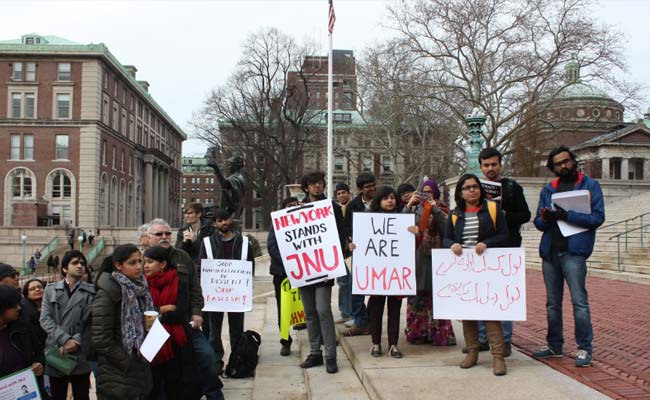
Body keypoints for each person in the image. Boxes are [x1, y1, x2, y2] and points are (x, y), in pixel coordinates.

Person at [532, 146, 604, 368]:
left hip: (574, 252)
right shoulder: (548, 189)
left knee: (579, 301)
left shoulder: (590, 186)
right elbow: (537, 223)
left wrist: (567, 215)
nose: (564, 166)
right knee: (552, 303)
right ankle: (554, 345)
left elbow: (597, 218)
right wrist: (546, 218)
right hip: (551, 251)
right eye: (558, 164)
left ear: (574, 161)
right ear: (552, 168)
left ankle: (584, 348)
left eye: (566, 161)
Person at [148, 219, 223, 399]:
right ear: (149, 237)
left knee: (207, 357)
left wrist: (197, 312)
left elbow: (195, 288)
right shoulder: (143, 260)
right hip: (156, 326)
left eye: (167, 233)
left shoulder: (182, 257)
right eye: (159, 234)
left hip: (185, 323)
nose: (164, 237)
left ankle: (214, 393)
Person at [443, 173, 509, 376]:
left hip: (486, 268)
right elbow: (446, 238)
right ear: (460, 193)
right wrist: (452, 244)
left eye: (475, 187)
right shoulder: (455, 215)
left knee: (490, 314)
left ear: (480, 189)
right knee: (468, 314)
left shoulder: (492, 209)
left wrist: (487, 243)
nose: (471, 190)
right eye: (467, 188)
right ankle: (472, 353)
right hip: (464, 270)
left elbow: (505, 235)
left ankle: (498, 357)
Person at [473, 147, 531, 357]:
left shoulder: (512, 188)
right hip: (482, 247)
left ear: (500, 165)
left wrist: (506, 215)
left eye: (494, 164)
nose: (490, 168)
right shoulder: (474, 188)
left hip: (508, 247)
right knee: (481, 293)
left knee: (505, 295)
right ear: (480, 166)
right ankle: (482, 338)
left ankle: (505, 340)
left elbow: (525, 214)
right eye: (486, 165)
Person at [350, 186, 410, 358]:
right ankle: (376, 343)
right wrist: (353, 246)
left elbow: (411, 245)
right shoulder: (368, 221)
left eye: (392, 197)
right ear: (379, 201)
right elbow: (360, 245)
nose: (390, 201)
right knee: (375, 311)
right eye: (385, 198)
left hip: (395, 275)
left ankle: (393, 345)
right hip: (377, 276)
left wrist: (414, 233)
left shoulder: (403, 220)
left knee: (394, 311)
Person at [293, 171, 342, 373]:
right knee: (310, 313)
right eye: (313, 184)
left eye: (321, 183)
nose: (318, 187)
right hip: (304, 267)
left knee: (323, 310)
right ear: (306, 187)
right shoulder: (296, 209)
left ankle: (330, 355)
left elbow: (339, 234)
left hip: (324, 267)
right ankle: (315, 352)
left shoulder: (332, 208)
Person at [93, 244, 153, 399]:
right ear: (119, 265)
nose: (139, 266)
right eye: (132, 263)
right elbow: (101, 339)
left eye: (140, 261)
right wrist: (127, 363)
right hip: (117, 373)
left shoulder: (140, 289)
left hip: (139, 368)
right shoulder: (107, 293)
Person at [199, 209, 256, 373]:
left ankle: (236, 359)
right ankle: (217, 360)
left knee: (237, 329)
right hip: (214, 293)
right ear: (214, 223)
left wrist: (245, 286)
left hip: (237, 293)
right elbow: (201, 267)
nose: (223, 223)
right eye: (219, 220)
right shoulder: (207, 242)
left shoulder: (245, 242)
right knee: (213, 330)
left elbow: (250, 265)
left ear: (230, 220)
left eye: (225, 219)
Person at [402, 180, 456, 346]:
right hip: (417, 257)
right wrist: (409, 205)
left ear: (436, 193)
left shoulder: (443, 209)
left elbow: (448, 228)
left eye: (430, 192)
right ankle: (417, 332)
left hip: (436, 257)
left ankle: (440, 334)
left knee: (436, 297)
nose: (427, 195)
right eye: (424, 192)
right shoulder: (415, 209)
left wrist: (435, 210)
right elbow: (399, 224)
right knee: (417, 296)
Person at [40, 250, 95, 400]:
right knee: (57, 395)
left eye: (82, 263)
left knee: (82, 395)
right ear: (64, 268)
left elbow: (91, 323)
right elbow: (45, 319)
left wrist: (76, 341)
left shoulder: (92, 292)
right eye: (75, 263)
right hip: (57, 350)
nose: (80, 266)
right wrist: (65, 339)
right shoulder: (50, 290)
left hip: (80, 350)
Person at [143, 246, 196, 399]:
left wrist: (154, 314)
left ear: (163, 264)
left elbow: (179, 314)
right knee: (152, 387)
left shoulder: (179, 281)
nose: (145, 266)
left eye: (150, 262)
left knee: (175, 385)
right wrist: (163, 308)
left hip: (175, 341)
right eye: (145, 262)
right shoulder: (142, 284)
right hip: (151, 342)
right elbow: (142, 312)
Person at [341, 173, 377, 336]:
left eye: (373, 185)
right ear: (361, 189)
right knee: (356, 288)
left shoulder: (381, 201)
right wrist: (350, 241)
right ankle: (361, 320)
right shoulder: (353, 205)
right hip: (360, 252)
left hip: (380, 252)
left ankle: (372, 320)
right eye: (368, 186)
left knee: (378, 290)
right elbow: (346, 228)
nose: (372, 188)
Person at [267, 197, 299, 356]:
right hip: (282, 273)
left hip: (302, 272)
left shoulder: (303, 223)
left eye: (295, 205)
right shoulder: (276, 224)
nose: (293, 207)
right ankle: (285, 341)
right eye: (289, 206)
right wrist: (289, 263)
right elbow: (271, 247)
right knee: (283, 309)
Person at [0, 284, 44, 379]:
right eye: (14, 305)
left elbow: (39, 352)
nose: (19, 308)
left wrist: (38, 364)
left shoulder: (23, 328)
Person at [334, 182, 352, 323]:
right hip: (340, 252)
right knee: (343, 283)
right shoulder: (333, 210)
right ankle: (344, 312)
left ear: (349, 193)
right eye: (338, 193)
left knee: (353, 284)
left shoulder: (354, 207)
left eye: (343, 192)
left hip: (352, 251)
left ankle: (353, 312)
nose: (341, 195)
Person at [21, 279, 46, 348]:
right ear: (27, 294)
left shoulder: (53, 306)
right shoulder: (24, 311)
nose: (37, 289)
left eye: (40, 287)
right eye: (32, 289)